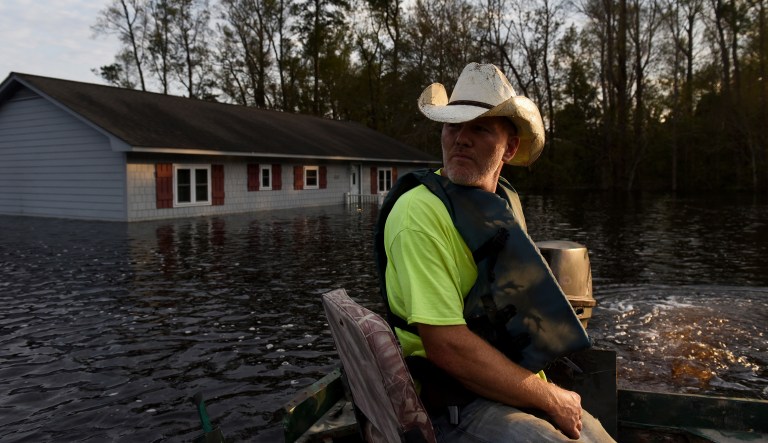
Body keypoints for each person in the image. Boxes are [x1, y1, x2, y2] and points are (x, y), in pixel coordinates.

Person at [374, 63, 615, 442]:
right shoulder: (419, 214)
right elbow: (447, 346)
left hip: (505, 382)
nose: (461, 139)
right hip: (453, 404)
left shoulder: (499, 203)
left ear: (510, 147)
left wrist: (545, 391)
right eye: (453, 125)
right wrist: (551, 398)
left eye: (479, 128)